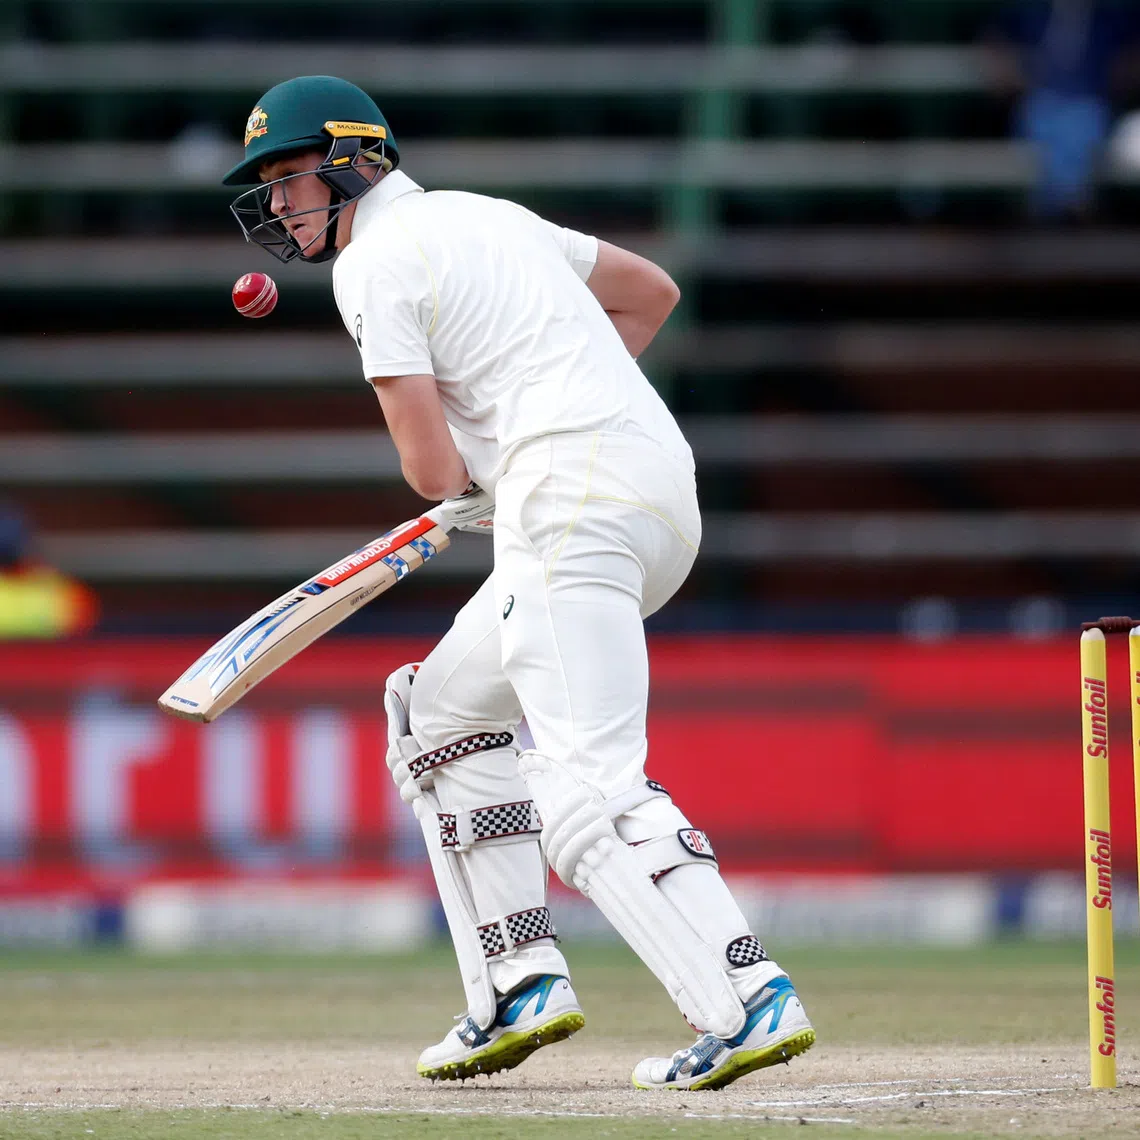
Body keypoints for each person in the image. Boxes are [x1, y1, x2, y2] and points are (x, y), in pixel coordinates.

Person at [222, 75, 814, 1091]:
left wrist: (491, 469)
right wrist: (535, 420)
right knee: (438, 709)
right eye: (269, 186)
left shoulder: (370, 266)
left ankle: (747, 996)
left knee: (586, 775)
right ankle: (518, 981)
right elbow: (650, 292)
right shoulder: (489, 216)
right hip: (654, 486)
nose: (278, 204)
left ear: (356, 161)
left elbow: (428, 471)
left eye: (290, 177)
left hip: (571, 496)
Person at [985, 0, 1140, 221]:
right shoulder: (1029, 9)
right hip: (1040, 99)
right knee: (1044, 124)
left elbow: (1131, 55)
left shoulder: (1112, 12)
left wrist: (1118, 80)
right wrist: (1012, 75)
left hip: (1090, 99)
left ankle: (1054, 210)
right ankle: (1070, 205)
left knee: (1081, 124)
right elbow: (995, 39)